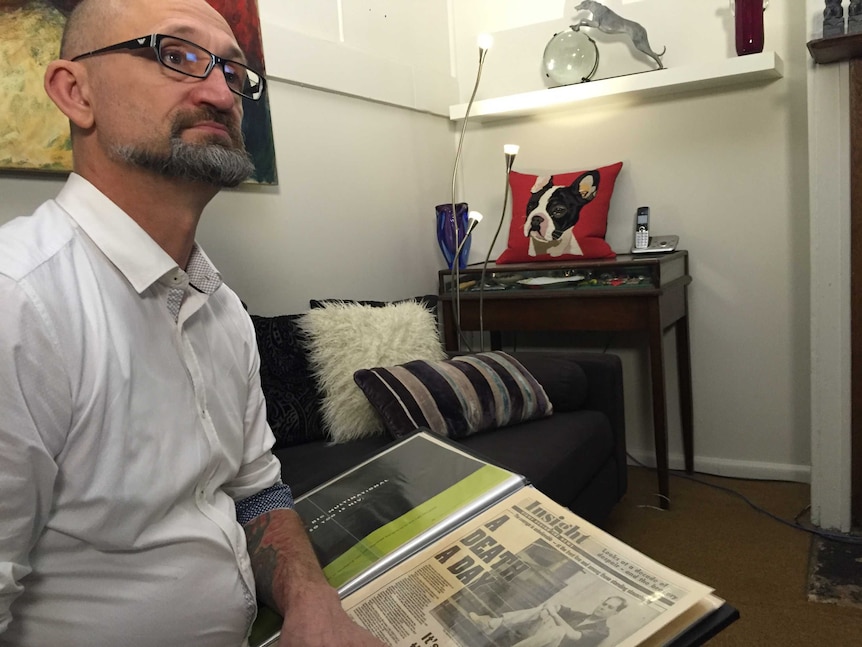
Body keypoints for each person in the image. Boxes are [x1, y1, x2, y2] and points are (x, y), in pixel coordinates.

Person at [0, 1, 384, 646]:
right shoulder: (20, 304)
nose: (220, 92)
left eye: (235, 72)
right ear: (75, 91)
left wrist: (311, 605)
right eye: (175, 55)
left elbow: (257, 493)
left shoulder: (221, 307)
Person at [470, 595, 627, 647]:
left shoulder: (602, 631)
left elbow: (573, 635)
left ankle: (491, 625)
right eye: (604, 603)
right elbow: (555, 607)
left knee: (559, 629)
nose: (603, 607)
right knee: (546, 611)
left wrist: (555, 614)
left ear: (615, 613)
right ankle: (491, 623)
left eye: (609, 607)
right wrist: (553, 608)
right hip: (539, 640)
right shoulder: (580, 615)